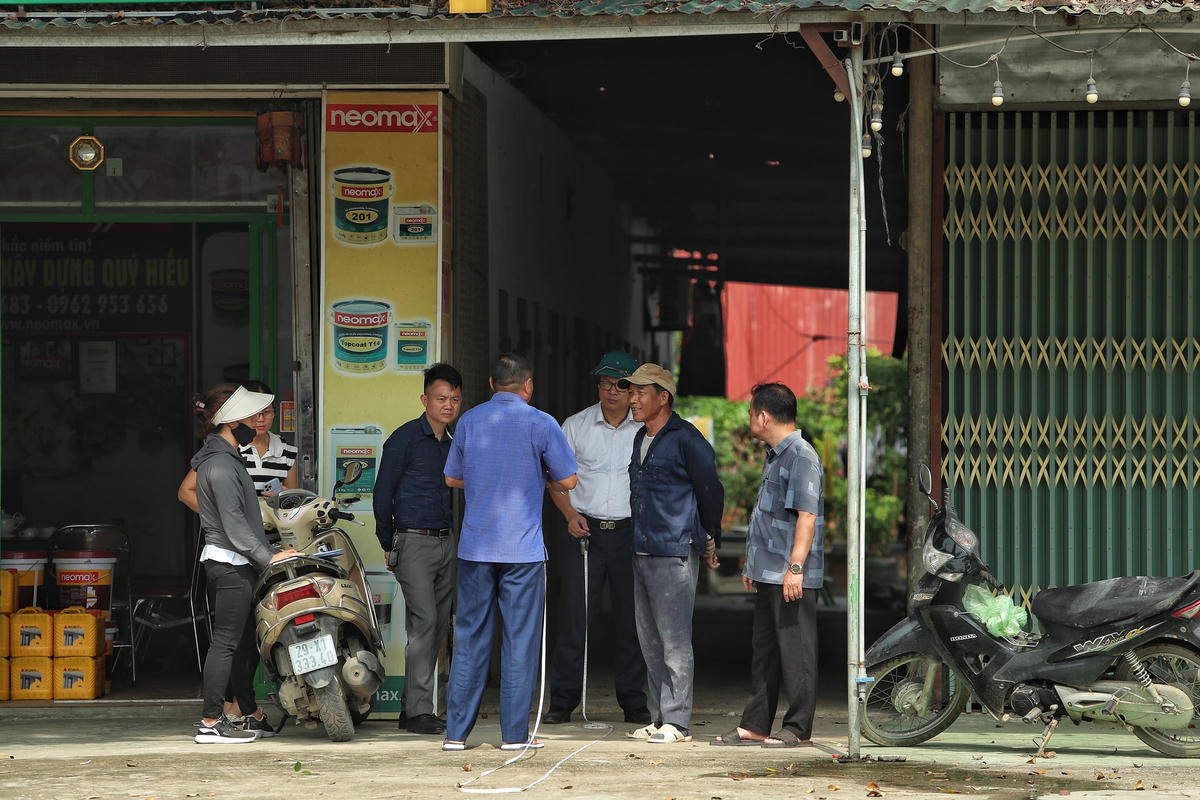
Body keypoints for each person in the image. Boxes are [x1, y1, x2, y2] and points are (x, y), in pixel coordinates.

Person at [441, 353, 578, 751]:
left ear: (491, 384)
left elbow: (452, 477)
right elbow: (569, 480)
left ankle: (456, 735)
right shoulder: (542, 423)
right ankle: (514, 737)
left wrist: (486, 478)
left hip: (476, 549)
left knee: (469, 638)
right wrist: (537, 474)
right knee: (519, 643)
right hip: (523, 551)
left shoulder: (469, 421)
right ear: (528, 385)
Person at [712, 383, 824, 749]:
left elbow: (807, 516)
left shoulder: (801, 456)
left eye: (751, 413)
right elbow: (767, 516)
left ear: (764, 416)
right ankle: (756, 724)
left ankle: (798, 728)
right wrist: (753, 565)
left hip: (790, 573)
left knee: (797, 653)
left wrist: (796, 568)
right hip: (769, 570)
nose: (749, 419)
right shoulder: (776, 454)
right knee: (765, 651)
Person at [543, 351, 650, 726]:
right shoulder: (575, 426)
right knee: (574, 618)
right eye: (604, 383)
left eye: (619, 384)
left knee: (632, 620)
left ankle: (633, 701)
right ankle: (562, 701)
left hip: (630, 533)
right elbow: (555, 478)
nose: (611, 390)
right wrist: (570, 516)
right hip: (583, 532)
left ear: (633, 388)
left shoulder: (645, 428)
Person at [620, 363, 724, 745]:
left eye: (640, 392)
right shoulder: (640, 437)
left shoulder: (687, 439)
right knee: (650, 642)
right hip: (641, 549)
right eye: (631, 392)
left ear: (663, 397)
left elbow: (710, 490)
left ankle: (678, 722)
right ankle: (659, 717)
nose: (632, 399)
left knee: (675, 642)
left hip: (674, 552)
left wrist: (710, 535)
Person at [190, 384, 298, 743]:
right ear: (231, 421)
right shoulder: (221, 464)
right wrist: (270, 556)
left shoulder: (224, 457)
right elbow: (234, 523)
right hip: (231, 564)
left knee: (242, 644)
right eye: (250, 417)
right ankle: (210, 722)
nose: (257, 423)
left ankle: (249, 713)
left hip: (237, 562)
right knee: (226, 643)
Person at [372, 363, 464, 736]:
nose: (448, 405)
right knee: (424, 622)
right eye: (441, 398)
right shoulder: (405, 438)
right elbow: (382, 493)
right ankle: (418, 712)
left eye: (454, 399)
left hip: (447, 541)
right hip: (412, 541)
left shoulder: (455, 441)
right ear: (425, 400)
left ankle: (413, 707)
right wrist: (388, 543)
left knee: (438, 625)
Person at [177, 380, 298, 512]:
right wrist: (226, 517)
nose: (260, 419)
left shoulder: (287, 452)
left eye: (267, 412)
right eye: (253, 412)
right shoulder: (227, 447)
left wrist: (286, 498)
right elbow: (185, 492)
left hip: (273, 526)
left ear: (274, 412)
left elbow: (294, 507)